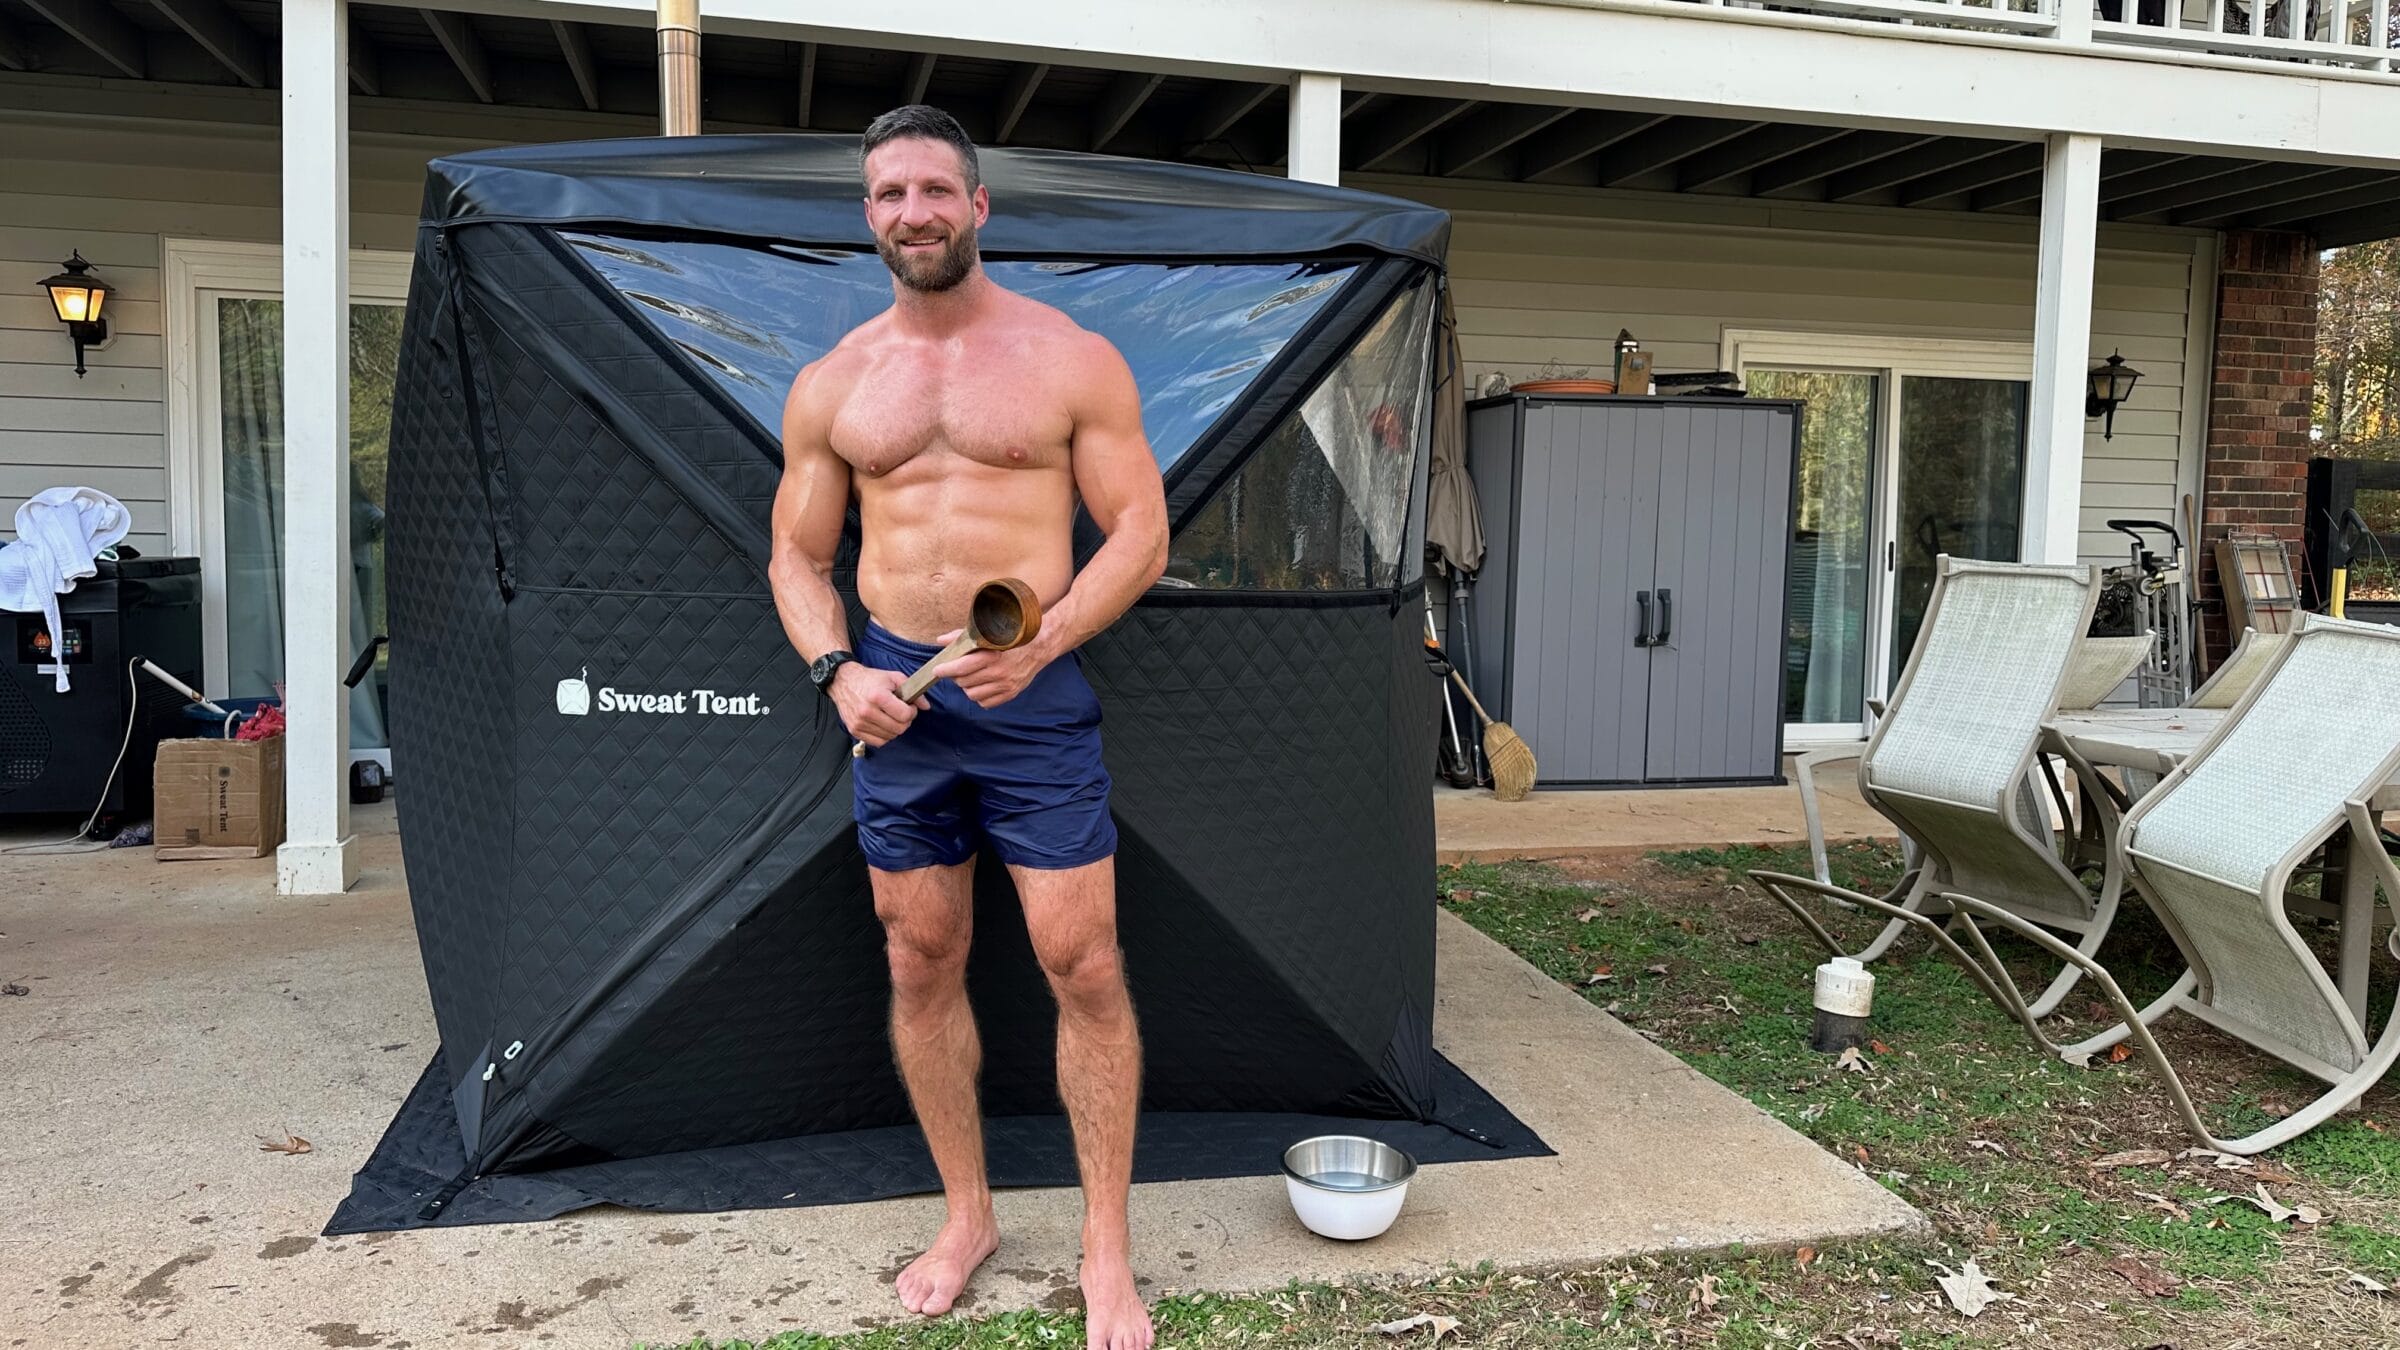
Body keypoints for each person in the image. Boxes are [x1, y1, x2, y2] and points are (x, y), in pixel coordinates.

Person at [766, 104, 1168, 1350]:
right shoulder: (835, 383)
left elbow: (1142, 533)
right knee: (917, 957)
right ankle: (969, 1213)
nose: (913, 212)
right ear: (869, 215)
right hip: (895, 695)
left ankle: (1107, 1250)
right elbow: (793, 553)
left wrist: (1047, 639)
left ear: (978, 207)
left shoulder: (1069, 359)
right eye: (889, 194)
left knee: (1081, 962)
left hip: (1030, 688)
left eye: (935, 190)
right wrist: (836, 670)